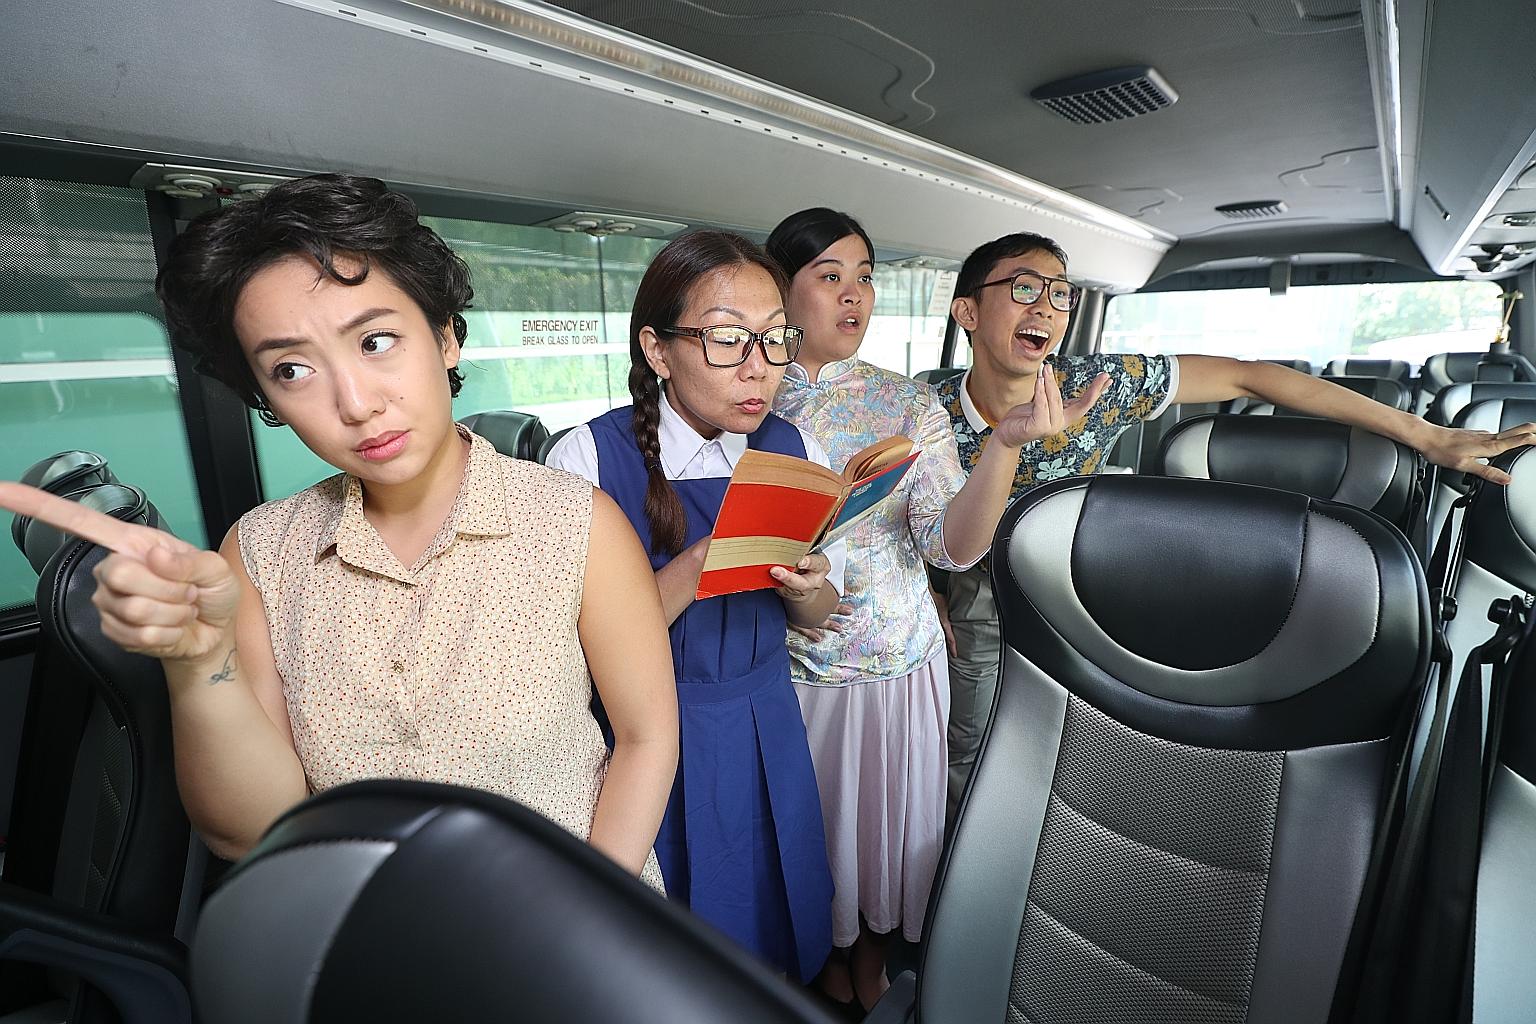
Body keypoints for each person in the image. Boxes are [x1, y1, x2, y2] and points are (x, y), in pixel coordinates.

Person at [0, 174, 678, 887]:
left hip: (571, 931)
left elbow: (645, 737)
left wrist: (590, 916)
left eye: (377, 341)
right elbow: (247, 831)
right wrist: (199, 667)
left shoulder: (577, 523)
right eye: (291, 369)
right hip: (355, 945)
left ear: (445, 337)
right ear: (265, 397)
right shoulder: (260, 554)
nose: (355, 403)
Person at [933, 230, 1536, 815]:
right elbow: (898, 520)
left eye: (1061, 293)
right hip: (978, 603)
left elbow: (1252, 376)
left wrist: (1424, 434)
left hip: (1080, 592)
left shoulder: (1099, 383)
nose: (1046, 306)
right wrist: (925, 591)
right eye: (1024, 288)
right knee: (969, 758)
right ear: (967, 311)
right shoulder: (922, 406)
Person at [764, 208, 1106, 1015]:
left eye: (866, 277)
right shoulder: (746, 400)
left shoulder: (907, 404)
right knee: (810, 838)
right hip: (786, 673)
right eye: (830, 277)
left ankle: (874, 959)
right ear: (781, 293)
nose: (855, 297)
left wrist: (1007, 444)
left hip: (901, 665)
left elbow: (951, 547)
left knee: (886, 841)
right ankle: (817, 959)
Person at [544, 229, 844, 983]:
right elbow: (564, 650)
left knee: (775, 915)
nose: (760, 369)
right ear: (657, 347)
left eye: (776, 341)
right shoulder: (587, 458)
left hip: (766, 715)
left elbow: (817, 613)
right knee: (670, 948)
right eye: (725, 340)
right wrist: (700, 564)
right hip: (649, 732)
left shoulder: (791, 444)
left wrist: (810, 590)